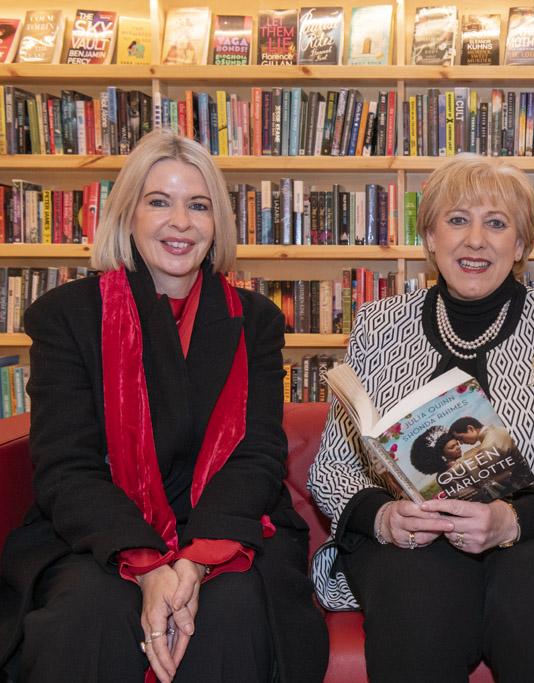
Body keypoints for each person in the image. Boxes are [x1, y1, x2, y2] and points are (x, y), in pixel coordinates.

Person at [0, 131, 327, 683]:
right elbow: (67, 466)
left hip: (226, 527)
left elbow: (257, 456)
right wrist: (148, 566)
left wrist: (194, 562)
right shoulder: (65, 317)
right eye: (159, 201)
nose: (181, 222)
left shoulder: (256, 321)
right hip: (98, 534)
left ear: (216, 222)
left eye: (198, 205)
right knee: (89, 613)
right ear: (128, 214)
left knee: (232, 611)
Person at [308, 153, 534, 683]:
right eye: (458, 220)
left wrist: (514, 520)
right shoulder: (376, 326)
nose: (475, 240)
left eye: (497, 223)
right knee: (419, 578)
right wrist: (385, 519)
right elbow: (331, 472)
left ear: (522, 245)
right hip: (410, 543)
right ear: (430, 237)